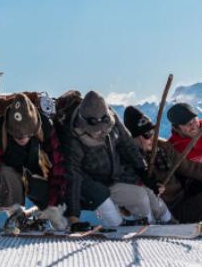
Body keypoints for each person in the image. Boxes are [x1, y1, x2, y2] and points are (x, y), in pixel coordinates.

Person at [60, 91, 172, 231]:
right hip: (93, 184)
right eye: (95, 130)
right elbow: (73, 177)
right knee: (136, 198)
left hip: (116, 175)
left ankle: (165, 222)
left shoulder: (111, 116)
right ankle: (140, 227)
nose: (99, 133)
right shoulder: (72, 137)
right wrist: (73, 216)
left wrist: (144, 173)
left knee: (148, 193)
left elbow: (128, 146)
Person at [0, 92, 67, 234]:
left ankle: (44, 214)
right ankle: (15, 215)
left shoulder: (45, 126)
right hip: (6, 178)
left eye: (28, 135)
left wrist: (54, 205)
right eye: (17, 136)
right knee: (7, 173)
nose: (23, 139)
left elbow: (58, 167)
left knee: (49, 189)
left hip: (34, 172)